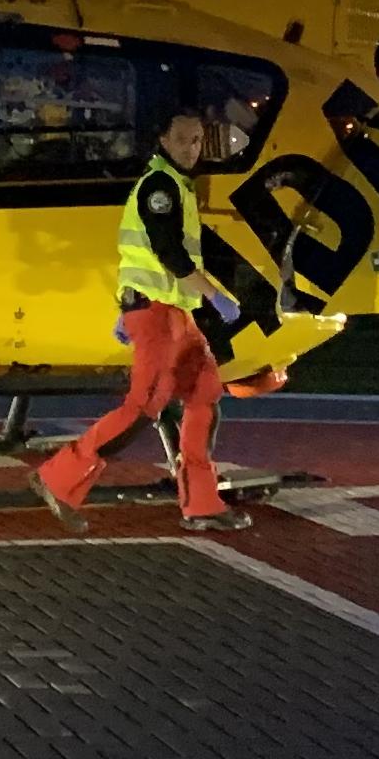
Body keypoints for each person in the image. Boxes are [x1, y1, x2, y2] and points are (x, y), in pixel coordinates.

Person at [35, 107, 251, 533]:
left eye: (197, 141)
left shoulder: (177, 187)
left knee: (204, 393)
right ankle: (57, 478)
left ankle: (203, 503)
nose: (191, 149)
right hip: (157, 312)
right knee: (144, 407)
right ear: (163, 142)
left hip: (170, 312)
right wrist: (214, 297)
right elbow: (169, 252)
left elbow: (143, 256)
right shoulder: (161, 188)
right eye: (183, 140)